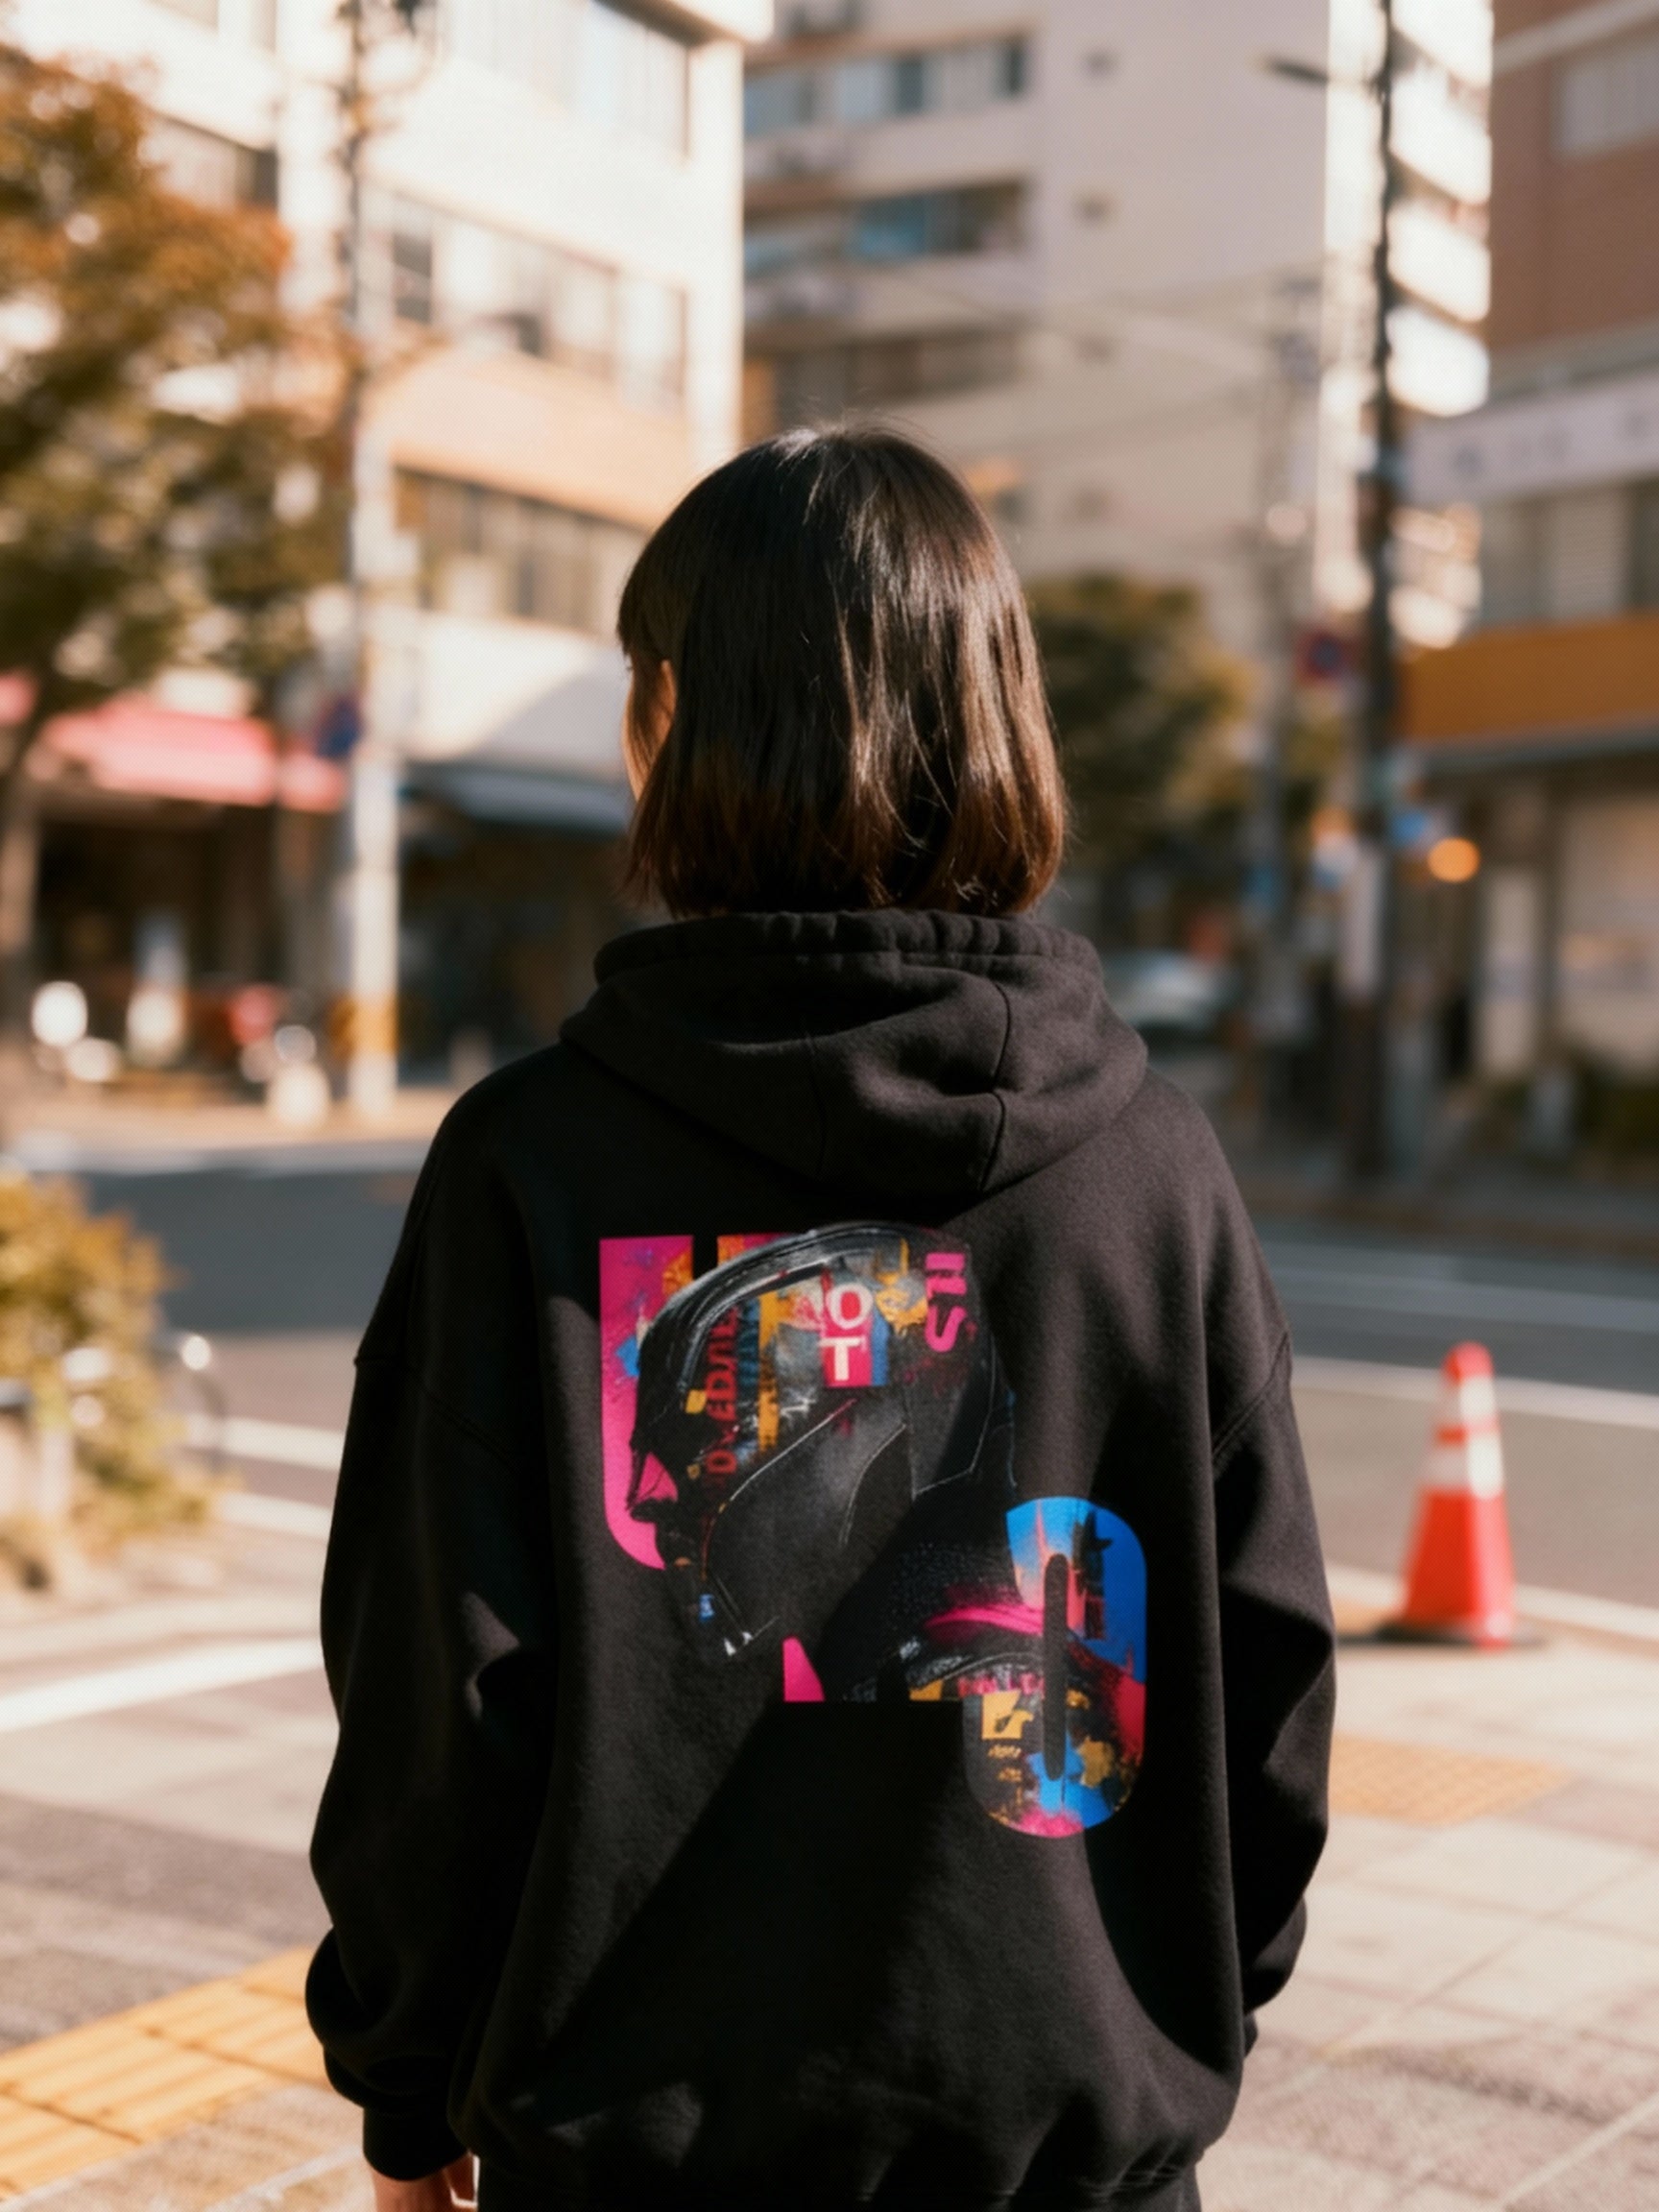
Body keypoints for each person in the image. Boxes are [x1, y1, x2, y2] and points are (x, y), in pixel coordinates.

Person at [306, 428, 1335, 2212]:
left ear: (675, 718)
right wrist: (1159, 2014)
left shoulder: (533, 1165)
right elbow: (1268, 1681)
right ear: (1000, 712)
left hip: (633, 2161)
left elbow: (435, 1698)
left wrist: (410, 2090)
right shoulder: (1150, 1172)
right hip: (1070, 2156)